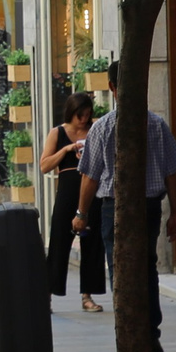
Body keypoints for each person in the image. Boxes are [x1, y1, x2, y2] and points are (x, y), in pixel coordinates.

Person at [76, 101, 176, 352]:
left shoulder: (103, 126)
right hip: (149, 206)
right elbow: (173, 173)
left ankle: (129, 333)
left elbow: (90, 175)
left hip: (113, 207)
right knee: (147, 266)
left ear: (113, 87)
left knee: (120, 269)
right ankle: (150, 333)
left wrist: (81, 213)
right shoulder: (156, 124)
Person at [39, 93, 102, 312]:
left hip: (92, 191)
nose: (83, 120)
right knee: (59, 243)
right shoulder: (58, 132)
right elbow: (44, 165)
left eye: (87, 115)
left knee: (92, 243)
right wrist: (66, 149)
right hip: (67, 191)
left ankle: (87, 295)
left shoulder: (95, 129)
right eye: (79, 115)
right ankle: (47, 294)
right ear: (71, 113)